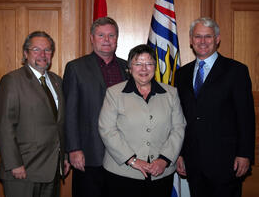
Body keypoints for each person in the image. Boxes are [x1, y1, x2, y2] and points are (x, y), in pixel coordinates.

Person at [175, 17, 255, 197]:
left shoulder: (236, 71)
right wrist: (179, 153)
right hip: (193, 160)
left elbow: (246, 116)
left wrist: (245, 154)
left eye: (208, 37)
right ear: (190, 40)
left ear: (217, 39)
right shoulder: (181, 74)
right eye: (197, 37)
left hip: (226, 162)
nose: (202, 41)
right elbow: (179, 117)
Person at [98, 44, 186, 197]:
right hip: (122, 173)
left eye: (149, 63)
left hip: (160, 172)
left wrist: (164, 160)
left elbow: (178, 128)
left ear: (155, 67)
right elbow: (107, 130)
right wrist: (132, 161)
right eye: (138, 64)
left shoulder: (171, 94)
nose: (144, 69)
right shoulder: (114, 93)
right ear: (130, 68)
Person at [0, 31, 70, 197]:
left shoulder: (57, 81)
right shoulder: (12, 81)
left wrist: (63, 156)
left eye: (47, 50)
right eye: (36, 49)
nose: (42, 54)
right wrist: (14, 164)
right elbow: (4, 126)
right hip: (24, 169)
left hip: (52, 169)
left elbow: (59, 124)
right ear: (25, 53)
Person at [63, 17, 129, 197]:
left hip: (123, 155)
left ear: (117, 39)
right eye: (101, 35)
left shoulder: (128, 68)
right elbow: (70, 113)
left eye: (111, 35)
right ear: (92, 38)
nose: (106, 40)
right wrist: (74, 149)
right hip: (89, 154)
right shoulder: (76, 68)